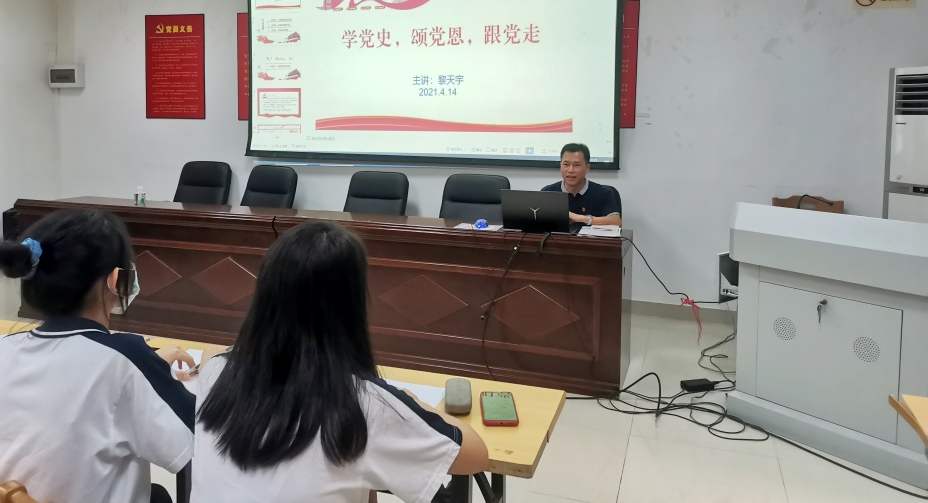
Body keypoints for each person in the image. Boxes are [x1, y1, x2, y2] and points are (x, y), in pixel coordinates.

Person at [193, 221, 489, 503]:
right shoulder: (365, 404)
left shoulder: (215, 372)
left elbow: (215, 356)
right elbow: (476, 455)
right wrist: (413, 403)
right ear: (350, 305)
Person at [0, 209, 196, 503]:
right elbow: (199, 440)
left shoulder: (5, 347)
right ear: (117, 280)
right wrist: (150, 368)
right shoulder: (125, 358)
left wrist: (150, 366)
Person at [542, 143, 622, 226]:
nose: (570, 170)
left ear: (587, 168)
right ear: (560, 166)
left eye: (576, 165)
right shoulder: (547, 192)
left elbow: (616, 222)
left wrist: (579, 218)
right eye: (566, 164)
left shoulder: (603, 193)